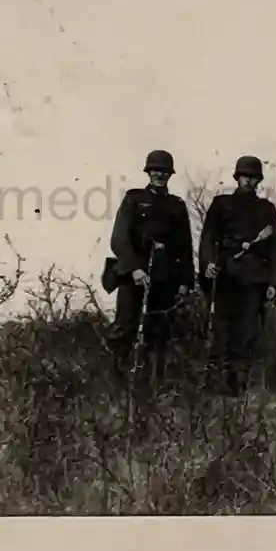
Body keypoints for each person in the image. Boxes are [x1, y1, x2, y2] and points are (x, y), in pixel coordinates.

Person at [105, 149, 196, 386]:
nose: (160, 175)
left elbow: (185, 246)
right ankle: (118, 385)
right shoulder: (133, 199)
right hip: (133, 277)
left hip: (164, 279)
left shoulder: (176, 205)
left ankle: (152, 386)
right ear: (148, 171)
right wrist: (135, 268)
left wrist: (186, 281)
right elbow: (119, 239)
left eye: (165, 171)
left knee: (159, 334)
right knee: (125, 328)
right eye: (156, 170)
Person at [198, 155, 276, 396]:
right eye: (245, 176)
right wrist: (208, 264)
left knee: (246, 333)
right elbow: (208, 239)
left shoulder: (266, 209)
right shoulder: (221, 204)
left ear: (259, 181)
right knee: (221, 329)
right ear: (237, 177)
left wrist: (273, 282)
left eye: (253, 177)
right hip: (225, 275)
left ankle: (239, 386)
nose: (249, 181)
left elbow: (275, 248)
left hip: (254, 278)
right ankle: (216, 383)